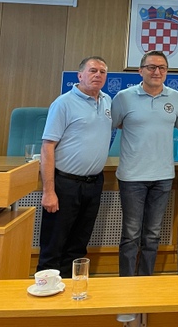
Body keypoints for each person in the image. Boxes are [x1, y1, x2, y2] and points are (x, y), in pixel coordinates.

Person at [111, 50, 178, 276]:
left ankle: (145, 281)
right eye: (151, 67)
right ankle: (126, 283)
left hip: (163, 177)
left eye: (162, 68)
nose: (157, 72)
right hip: (132, 177)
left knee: (152, 235)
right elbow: (114, 125)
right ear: (140, 71)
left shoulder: (176, 98)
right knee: (131, 234)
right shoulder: (123, 98)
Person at [37, 56, 112, 277]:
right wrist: (48, 191)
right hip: (65, 184)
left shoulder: (107, 101)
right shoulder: (63, 103)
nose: (98, 75)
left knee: (79, 244)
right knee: (54, 243)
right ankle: (47, 290)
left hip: (94, 184)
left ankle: (72, 288)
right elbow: (47, 147)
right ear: (80, 75)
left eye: (102, 72)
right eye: (92, 71)